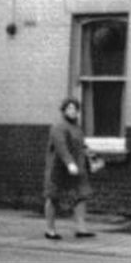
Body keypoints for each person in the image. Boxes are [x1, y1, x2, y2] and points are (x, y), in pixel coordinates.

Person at [43, 97, 95, 240]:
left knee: (81, 196)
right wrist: (69, 163)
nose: (73, 112)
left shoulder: (77, 128)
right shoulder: (58, 127)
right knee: (53, 197)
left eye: (75, 109)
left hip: (77, 169)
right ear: (64, 110)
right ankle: (50, 230)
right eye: (69, 109)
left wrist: (92, 156)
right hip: (58, 169)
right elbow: (61, 147)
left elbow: (81, 146)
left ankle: (81, 228)